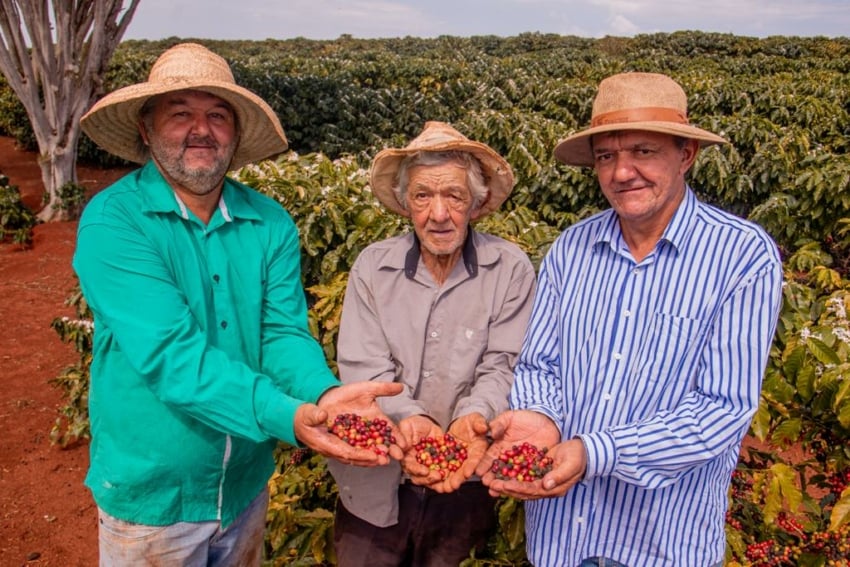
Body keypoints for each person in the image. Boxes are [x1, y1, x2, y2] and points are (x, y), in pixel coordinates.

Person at [74, 42, 405, 566]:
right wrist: (290, 416)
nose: (200, 129)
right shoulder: (115, 223)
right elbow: (173, 358)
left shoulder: (269, 222)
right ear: (146, 129)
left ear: (235, 133)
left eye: (217, 115)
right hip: (157, 498)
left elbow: (281, 334)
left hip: (245, 484)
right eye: (180, 113)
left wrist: (323, 392)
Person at [475, 72, 784, 566]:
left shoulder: (742, 257)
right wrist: (540, 416)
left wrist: (594, 452)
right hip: (562, 537)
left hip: (661, 541)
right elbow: (539, 365)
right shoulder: (571, 249)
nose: (622, 173)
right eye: (606, 156)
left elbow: (721, 409)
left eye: (643, 151)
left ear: (686, 155)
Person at [327, 121, 537, 566]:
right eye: (423, 196)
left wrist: (473, 418)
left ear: (476, 204)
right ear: (405, 203)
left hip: (464, 489)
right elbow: (364, 367)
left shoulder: (510, 269)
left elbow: (505, 363)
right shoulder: (373, 267)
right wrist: (411, 419)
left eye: (454, 197)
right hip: (373, 483)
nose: (438, 214)